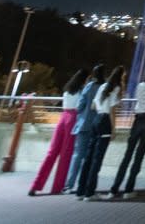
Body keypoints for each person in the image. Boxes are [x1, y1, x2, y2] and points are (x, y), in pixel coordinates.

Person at [106, 63, 145, 199]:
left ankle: (114, 189)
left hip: (137, 119)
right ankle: (128, 189)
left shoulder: (140, 85)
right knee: (139, 156)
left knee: (127, 155)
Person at [28, 69, 89, 196]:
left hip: (62, 118)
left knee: (51, 152)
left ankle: (35, 185)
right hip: (73, 118)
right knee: (66, 154)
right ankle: (57, 187)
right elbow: (80, 107)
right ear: (84, 79)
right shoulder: (81, 91)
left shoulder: (67, 88)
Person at [76, 65, 124, 201]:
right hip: (105, 122)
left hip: (96, 120)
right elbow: (113, 111)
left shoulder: (103, 86)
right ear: (121, 77)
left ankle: (81, 191)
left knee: (89, 156)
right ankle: (90, 193)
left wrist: (102, 107)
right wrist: (114, 129)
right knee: (97, 159)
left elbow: (93, 105)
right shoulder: (116, 88)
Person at [63, 64, 105, 193]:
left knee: (77, 156)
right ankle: (85, 184)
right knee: (89, 158)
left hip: (83, 124)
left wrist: (81, 115)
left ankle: (69, 185)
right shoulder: (103, 88)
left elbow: (80, 105)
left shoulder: (88, 86)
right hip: (95, 125)